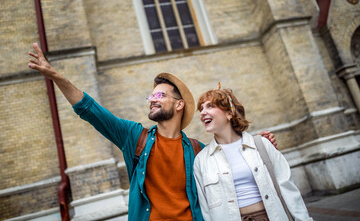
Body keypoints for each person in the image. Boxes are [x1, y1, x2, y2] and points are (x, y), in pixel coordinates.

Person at [28, 43, 276, 220]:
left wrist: (257, 143)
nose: (152, 99)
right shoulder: (135, 137)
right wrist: (56, 77)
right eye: (151, 95)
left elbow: (233, 164)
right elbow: (90, 110)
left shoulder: (198, 149)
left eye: (160, 95)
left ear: (179, 105)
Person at [193, 85, 312, 221]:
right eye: (201, 108)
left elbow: (288, 189)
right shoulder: (202, 160)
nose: (202, 113)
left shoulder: (262, 145)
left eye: (210, 106)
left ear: (229, 113)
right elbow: (206, 209)